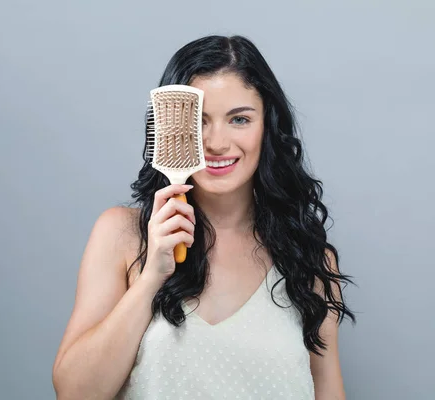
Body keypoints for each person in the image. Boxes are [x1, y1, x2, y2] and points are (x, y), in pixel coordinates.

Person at [52, 35, 356, 400]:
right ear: (172, 129)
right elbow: (75, 393)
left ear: (267, 128)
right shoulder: (122, 234)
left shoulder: (309, 260)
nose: (216, 142)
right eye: (199, 121)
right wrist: (151, 278)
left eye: (239, 119)